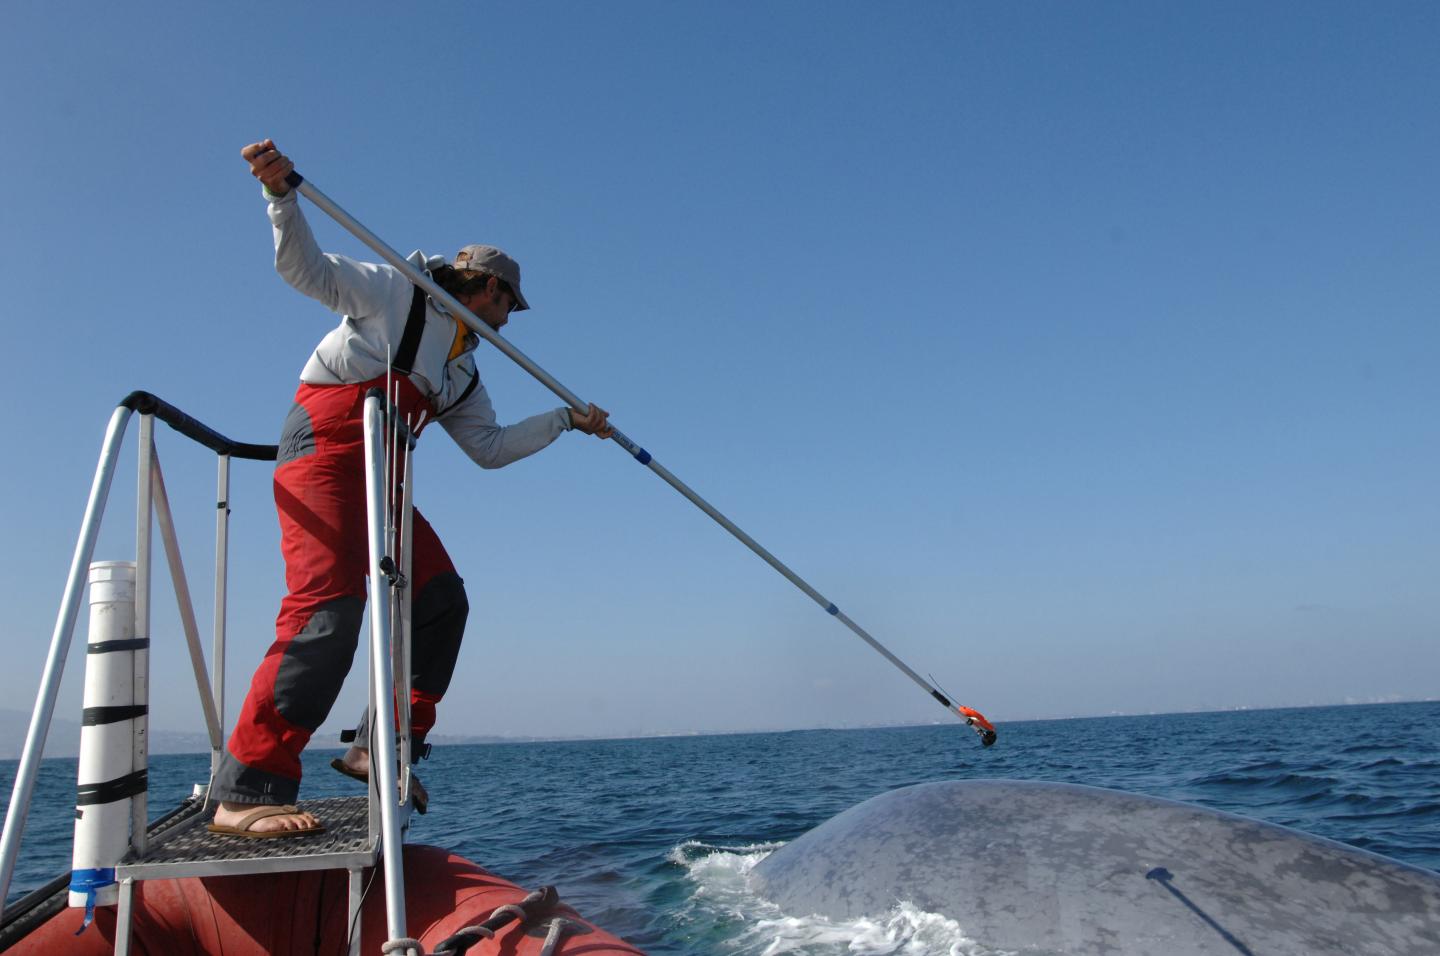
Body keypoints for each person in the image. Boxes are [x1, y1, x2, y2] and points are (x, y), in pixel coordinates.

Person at [208, 140, 612, 837]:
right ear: (488, 289)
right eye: (508, 306)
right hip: (322, 457)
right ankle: (246, 791)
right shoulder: (396, 290)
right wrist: (281, 198)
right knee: (328, 613)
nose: (507, 323)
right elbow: (304, 270)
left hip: (382, 476)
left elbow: (488, 449)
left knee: (439, 601)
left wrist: (564, 422)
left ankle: (381, 746)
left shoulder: (461, 370)